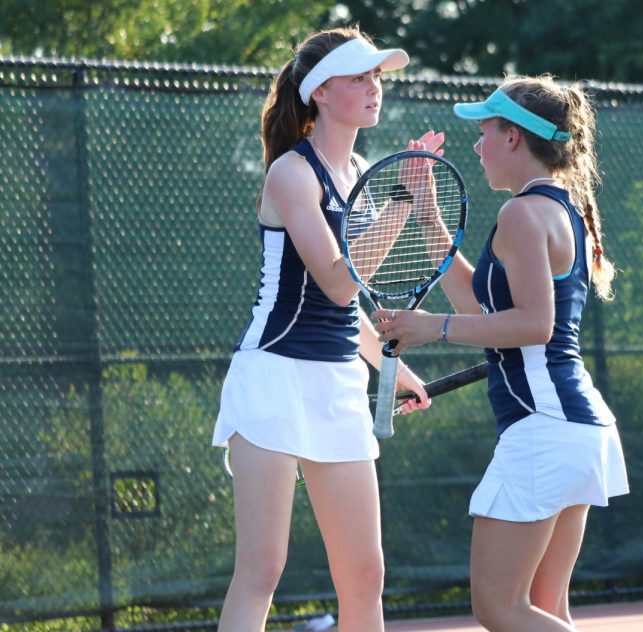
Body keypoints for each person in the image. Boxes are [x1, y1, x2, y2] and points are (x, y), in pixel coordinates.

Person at [372, 75, 629, 631]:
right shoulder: (560, 210)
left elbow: (535, 325)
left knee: (500, 608)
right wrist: (429, 216)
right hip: (574, 426)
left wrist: (428, 327)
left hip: (546, 427)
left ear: (513, 137)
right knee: (543, 610)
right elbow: (490, 312)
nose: (478, 143)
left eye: (485, 131)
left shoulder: (521, 214)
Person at [212, 26, 442, 632]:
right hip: (273, 377)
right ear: (319, 91)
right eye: (359, 78)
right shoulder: (292, 174)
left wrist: (398, 373)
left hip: (337, 385)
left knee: (365, 575)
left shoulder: (362, 170)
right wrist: (401, 198)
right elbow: (340, 281)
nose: (374, 88)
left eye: (377, 78)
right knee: (261, 569)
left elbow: (346, 307)